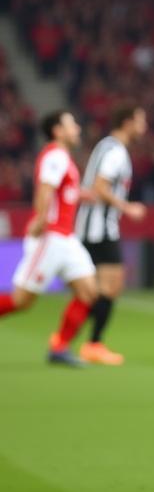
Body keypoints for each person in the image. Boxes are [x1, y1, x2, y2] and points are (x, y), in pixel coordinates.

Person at [0, 110, 98, 366]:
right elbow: (46, 187)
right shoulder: (55, 154)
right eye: (71, 124)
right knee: (22, 301)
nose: (77, 128)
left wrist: (81, 194)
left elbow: (63, 192)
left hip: (67, 238)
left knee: (88, 291)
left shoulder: (63, 156)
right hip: (51, 237)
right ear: (57, 130)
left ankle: (60, 347)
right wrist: (41, 218)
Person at [74, 105, 147, 365]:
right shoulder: (115, 151)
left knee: (97, 288)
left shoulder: (107, 147)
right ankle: (92, 343)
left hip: (93, 226)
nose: (144, 127)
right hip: (99, 228)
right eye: (140, 121)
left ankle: (78, 339)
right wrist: (128, 208)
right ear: (127, 122)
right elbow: (100, 187)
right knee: (108, 285)